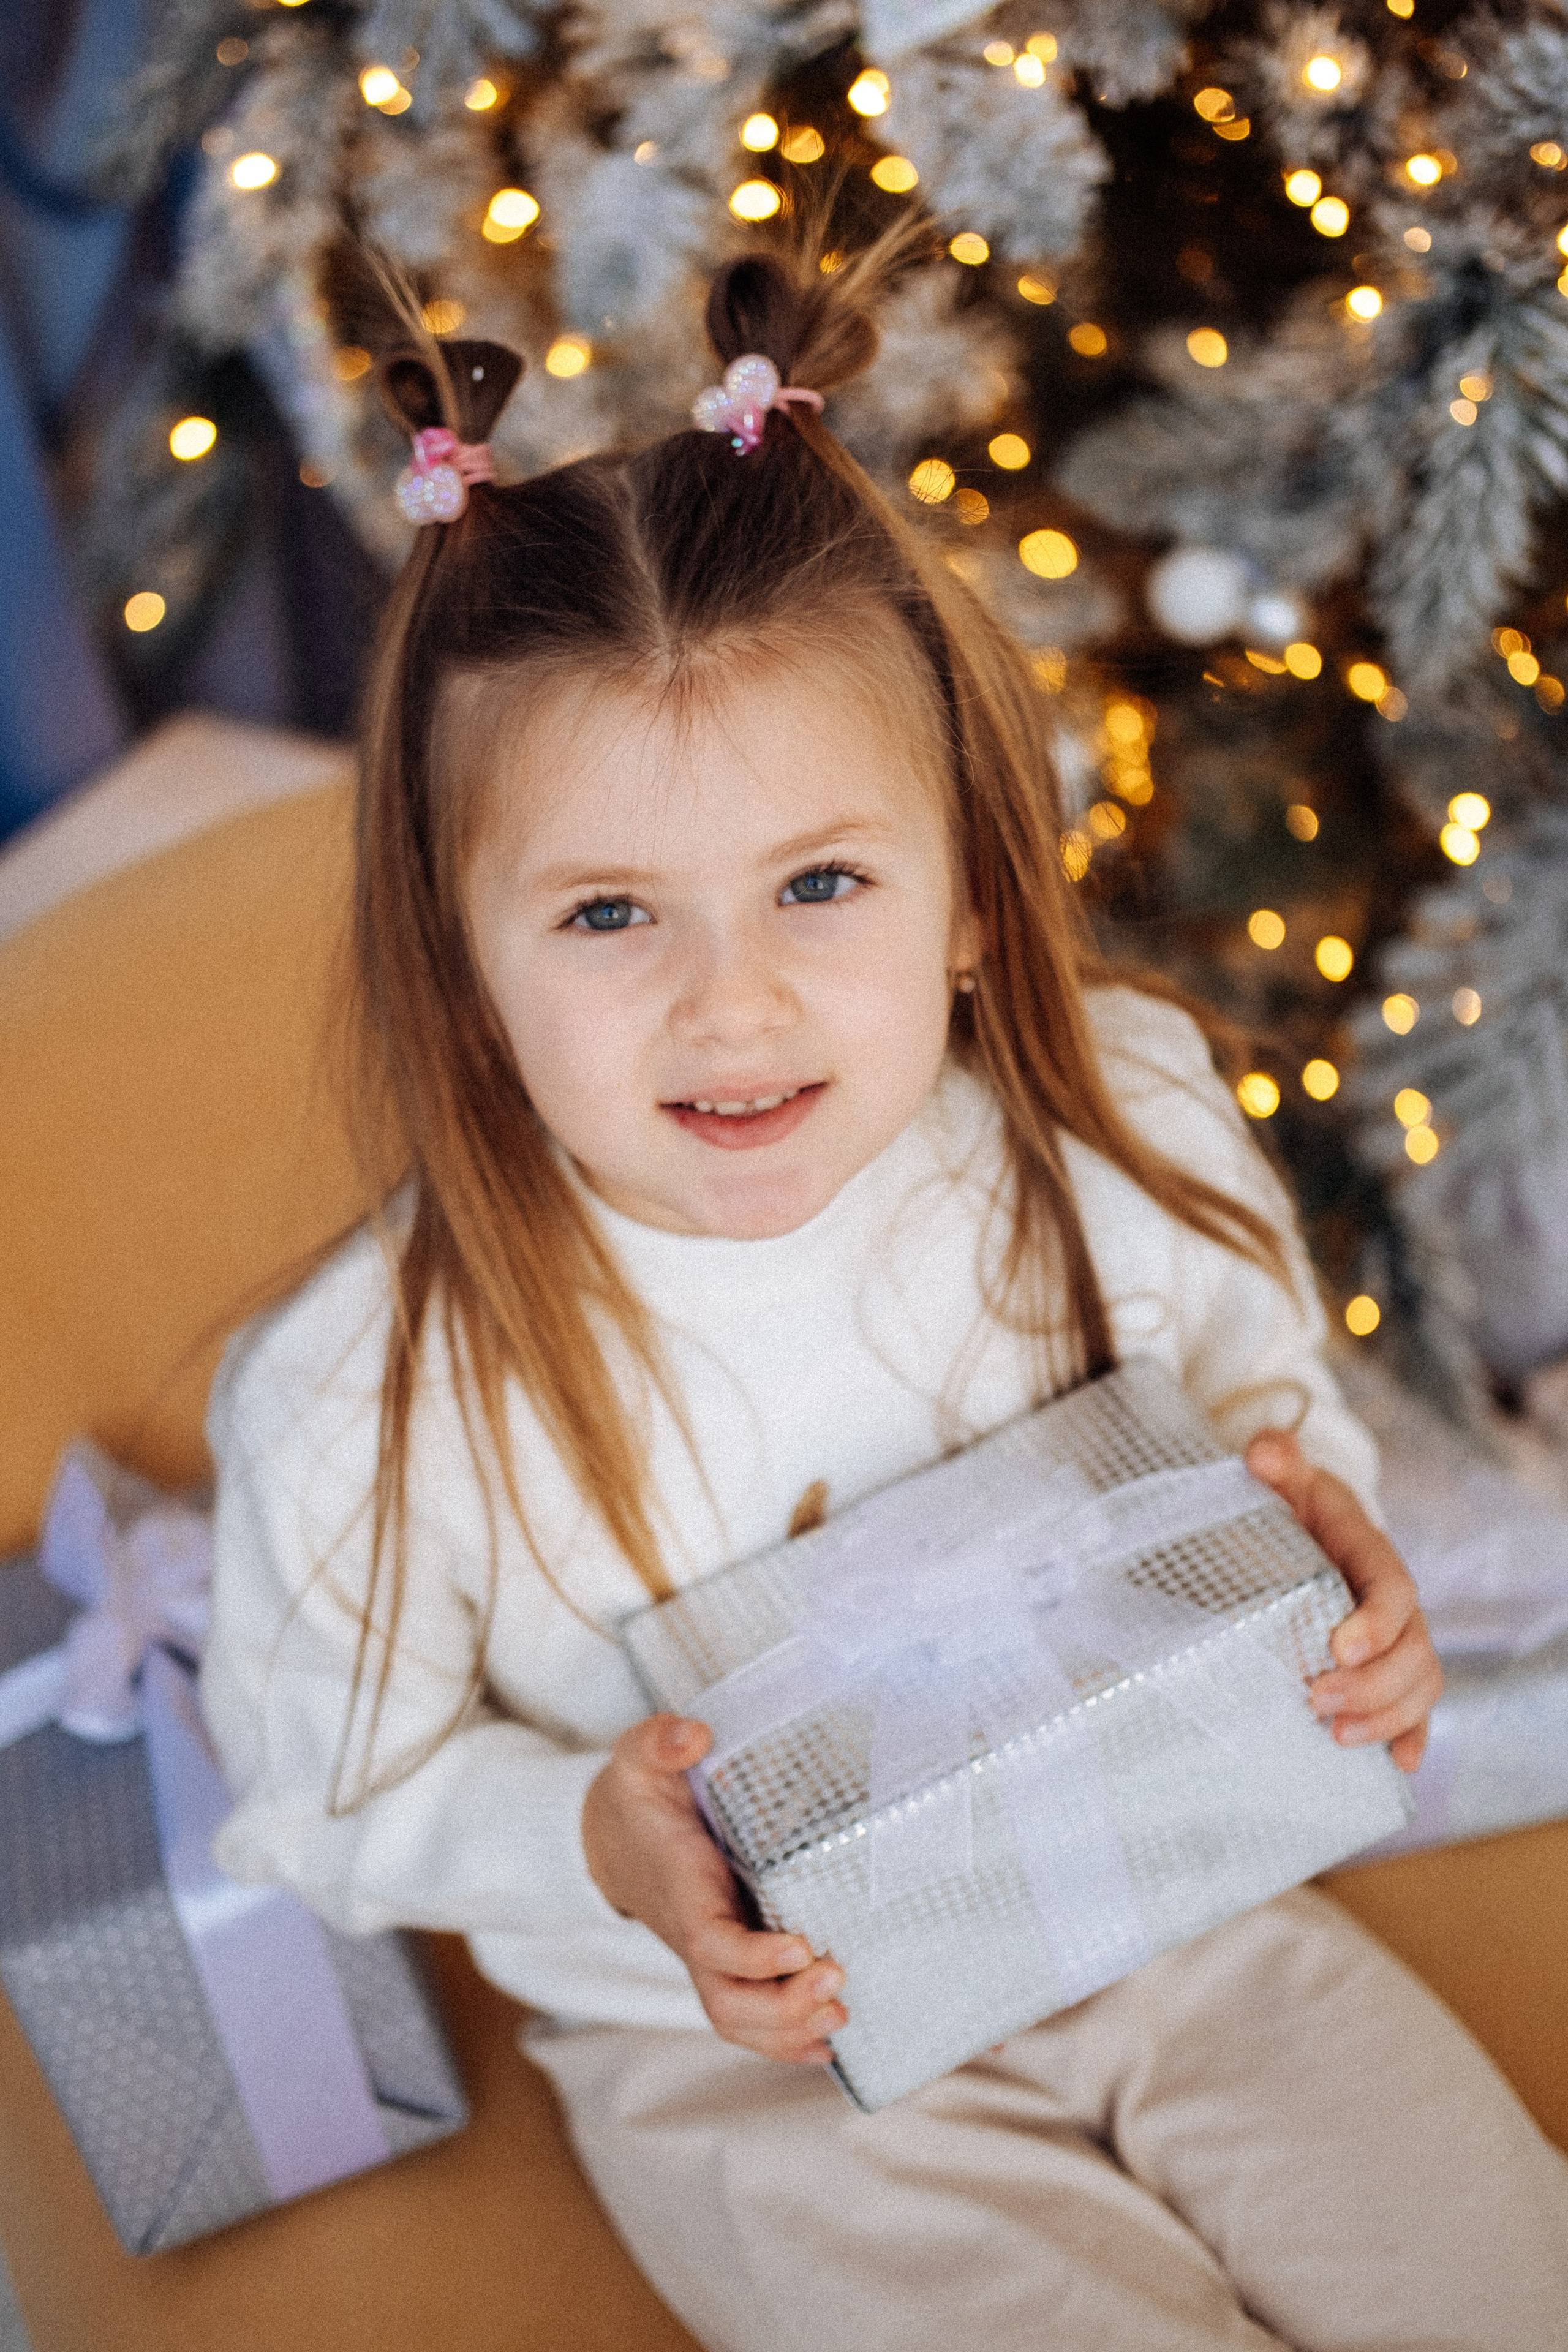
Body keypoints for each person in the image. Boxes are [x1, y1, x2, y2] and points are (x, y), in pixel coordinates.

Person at [202, 243, 1568, 2352]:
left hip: (1167, 1886)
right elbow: (329, 1794)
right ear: (461, 955)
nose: (728, 1002)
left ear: (960, 890)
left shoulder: (1115, 1128)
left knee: (1498, 2280)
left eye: (820, 883)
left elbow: (1257, 1411)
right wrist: (596, 1831)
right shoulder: (368, 1391)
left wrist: (1330, 1557)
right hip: (754, 2058)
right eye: (605, 912)